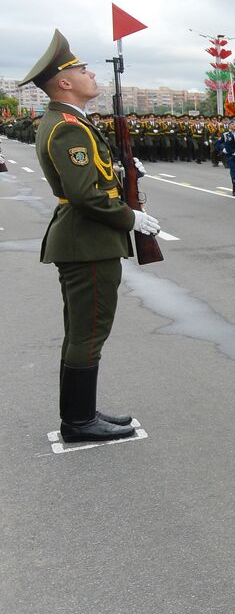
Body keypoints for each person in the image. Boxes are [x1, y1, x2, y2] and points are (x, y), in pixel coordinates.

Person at [23, 29, 161, 444]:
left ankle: (81, 413)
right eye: (80, 69)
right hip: (87, 242)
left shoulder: (70, 122)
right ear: (63, 82)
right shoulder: (67, 127)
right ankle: (79, 422)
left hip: (85, 240)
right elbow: (85, 194)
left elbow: (93, 179)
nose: (90, 74)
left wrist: (122, 171)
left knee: (84, 328)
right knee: (89, 329)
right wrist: (129, 219)